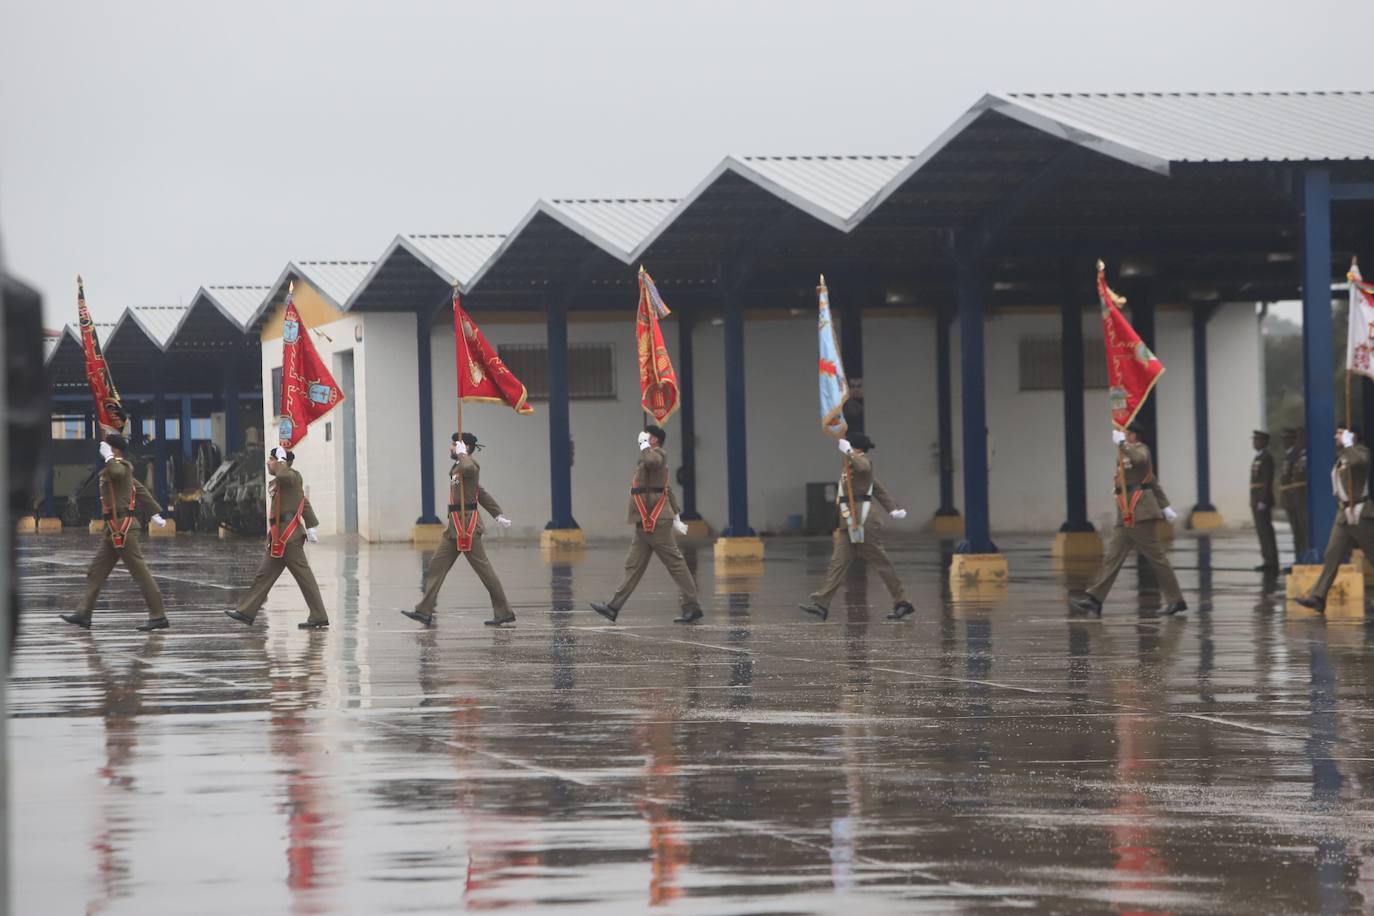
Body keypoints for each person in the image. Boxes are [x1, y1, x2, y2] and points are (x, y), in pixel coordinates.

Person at [1070, 422, 1187, 617]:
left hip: (1140, 511)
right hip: (1124, 512)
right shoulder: (1124, 454)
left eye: (1127, 432)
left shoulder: (1141, 450)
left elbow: (1141, 463)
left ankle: (1176, 600)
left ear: (1134, 435)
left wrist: (1123, 444)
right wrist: (1165, 504)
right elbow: (1152, 480)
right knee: (1112, 557)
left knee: (1157, 558)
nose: (1123, 435)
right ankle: (1095, 599)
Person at [798, 433, 915, 621]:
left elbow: (864, 467)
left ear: (855, 447)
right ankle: (822, 604)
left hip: (864, 520)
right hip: (849, 522)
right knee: (838, 562)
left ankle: (902, 602)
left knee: (880, 563)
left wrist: (850, 452)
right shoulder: (850, 466)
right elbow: (876, 487)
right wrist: (892, 509)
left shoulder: (862, 462)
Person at [591, 425, 700, 624]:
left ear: (654, 439)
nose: (644, 436)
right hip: (645, 519)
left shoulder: (658, 454)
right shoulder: (650, 458)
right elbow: (667, 489)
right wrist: (676, 515)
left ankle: (692, 606)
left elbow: (652, 461)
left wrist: (643, 445)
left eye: (648, 435)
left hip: (656, 520)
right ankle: (613, 607)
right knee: (633, 565)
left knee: (675, 564)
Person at [403, 432, 515, 628]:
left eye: (454, 445)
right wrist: (497, 513)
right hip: (454, 526)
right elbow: (479, 492)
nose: (451, 448)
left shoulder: (470, 465)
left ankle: (504, 612)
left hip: (468, 527)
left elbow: (469, 468)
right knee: (436, 566)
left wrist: (463, 454)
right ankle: (424, 611)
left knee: (485, 571)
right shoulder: (459, 468)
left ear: (465, 447)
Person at [61, 433, 170, 631]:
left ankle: (158, 615)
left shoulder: (122, 467)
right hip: (111, 528)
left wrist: (110, 457)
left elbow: (119, 473)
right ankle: (84, 614)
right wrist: (155, 512)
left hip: (124, 528)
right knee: (95, 571)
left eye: (107, 447)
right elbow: (139, 489)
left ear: (115, 450)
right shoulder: (112, 470)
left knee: (140, 573)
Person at [225, 446, 329, 629]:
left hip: (290, 538)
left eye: (272, 459)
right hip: (278, 538)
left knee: (305, 578)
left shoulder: (292, 477)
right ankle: (246, 612)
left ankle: (319, 616)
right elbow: (303, 502)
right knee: (263, 576)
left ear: (282, 462)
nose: (268, 462)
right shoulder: (281, 481)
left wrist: (311, 527)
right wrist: (312, 525)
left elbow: (289, 482)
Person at [1295, 426, 1373, 614]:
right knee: (1332, 555)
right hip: (1343, 514)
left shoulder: (1361, 452)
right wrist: (1346, 447)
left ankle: (1318, 596)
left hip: (1360, 512)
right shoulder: (1343, 456)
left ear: (1351, 435)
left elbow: (1360, 463)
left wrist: (1349, 444)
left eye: (1340, 432)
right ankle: (1318, 597)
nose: (1336, 436)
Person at [1279, 427, 1309, 563]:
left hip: (1302, 499)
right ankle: (1299, 560)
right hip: (1295, 499)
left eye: (1300, 437)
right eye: (1296, 438)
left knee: (1303, 533)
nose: (1298, 441)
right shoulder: (1297, 456)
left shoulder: (1304, 456)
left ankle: (1304, 559)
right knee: (1297, 533)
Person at [1251, 430, 1279, 572]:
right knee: (1261, 531)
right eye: (1254, 439)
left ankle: (1271, 561)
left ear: (1264, 442)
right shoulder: (1259, 457)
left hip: (1262, 500)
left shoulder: (1267, 457)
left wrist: (1262, 500)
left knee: (1266, 531)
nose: (1254, 442)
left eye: (1257, 440)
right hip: (1256, 499)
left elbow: (1267, 481)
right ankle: (1267, 559)